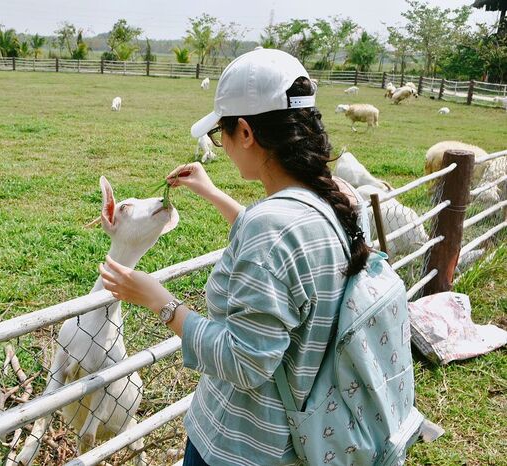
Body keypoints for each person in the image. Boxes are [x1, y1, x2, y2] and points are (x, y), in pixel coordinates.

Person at [99, 48, 370, 466]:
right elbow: (287, 256)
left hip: (243, 445)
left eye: (218, 134)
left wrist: (160, 301)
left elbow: (243, 362)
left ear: (244, 132)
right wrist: (213, 194)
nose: (220, 145)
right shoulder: (341, 199)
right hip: (310, 433)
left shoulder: (271, 229)